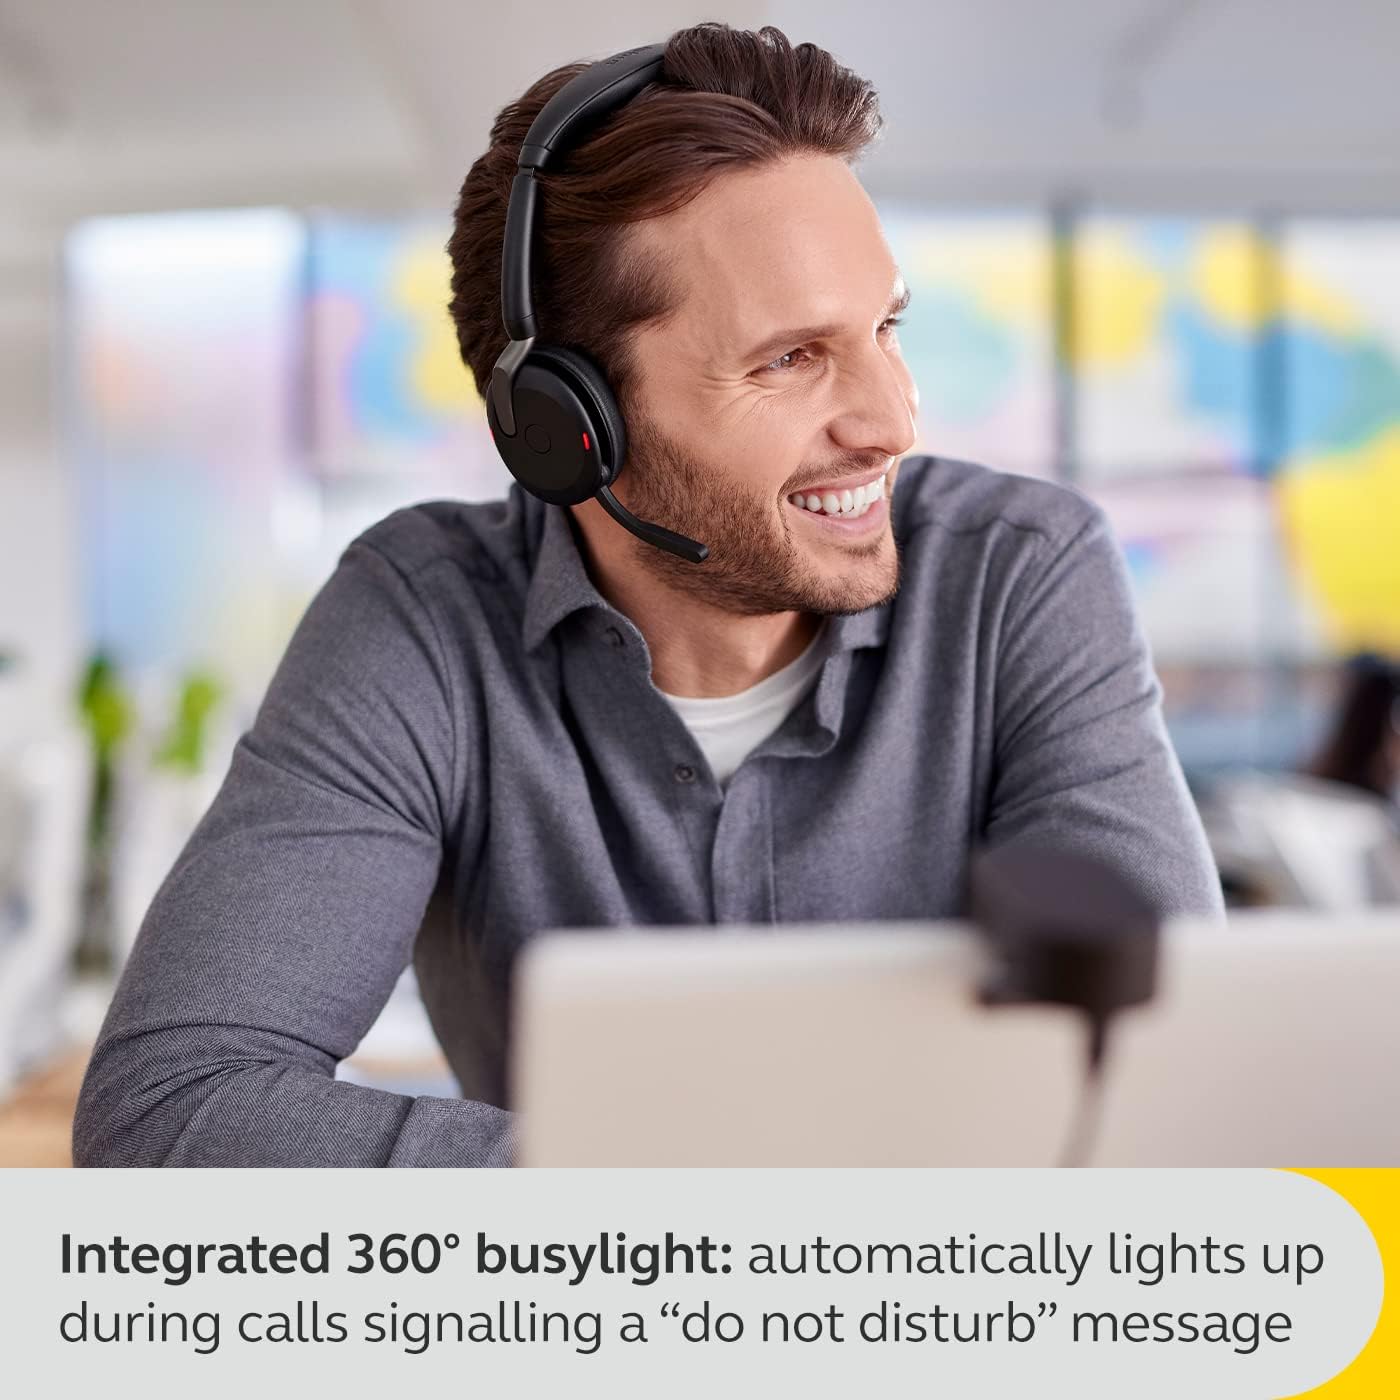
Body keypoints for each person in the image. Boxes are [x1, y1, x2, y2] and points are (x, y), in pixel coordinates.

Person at [72, 23, 1221, 1169]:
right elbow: (169, 1111)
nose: (889, 421)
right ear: (569, 425)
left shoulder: (1018, 572)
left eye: (885, 326)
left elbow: (1169, 1075)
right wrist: (730, 1211)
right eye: (789, 358)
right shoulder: (423, 621)